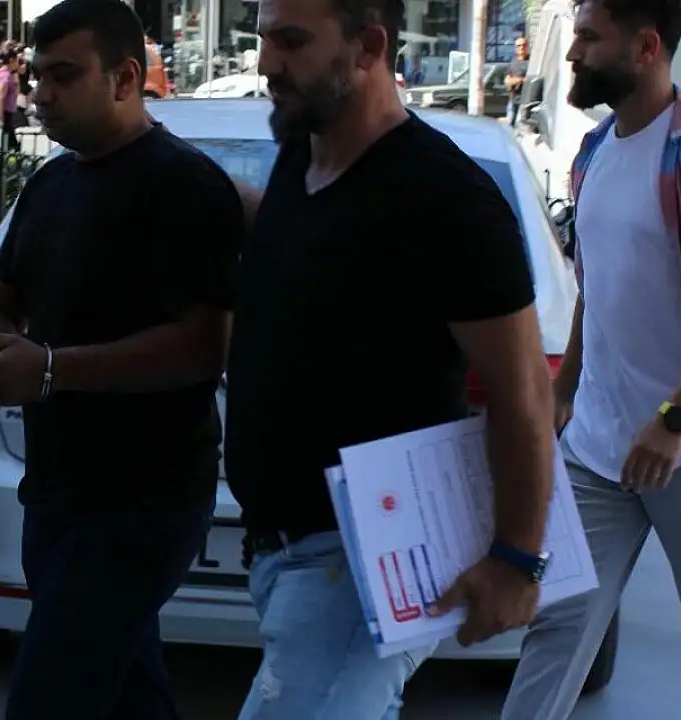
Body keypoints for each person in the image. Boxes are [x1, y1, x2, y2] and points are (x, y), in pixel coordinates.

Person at [223, 0, 559, 714]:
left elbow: (525, 390)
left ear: (369, 46)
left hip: (364, 562)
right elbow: (320, 253)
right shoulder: (303, 155)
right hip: (282, 551)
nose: (267, 63)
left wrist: (517, 558)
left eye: (292, 42)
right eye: (264, 40)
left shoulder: (446, 198)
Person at [0, 0, 244, 717]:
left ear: (124, 79)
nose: (41, 95)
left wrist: (51, 369)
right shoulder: (52, 184)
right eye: (36, 77)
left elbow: (204, 344)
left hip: (144, 501)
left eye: (64, 76)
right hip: (56, 490)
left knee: (52, 694)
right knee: (128, 693)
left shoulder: (183, 186)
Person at [502, 0, 681, 717]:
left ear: (646, 47)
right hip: (599, 443)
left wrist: (675, 418)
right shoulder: (593, 154)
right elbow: (596, 287)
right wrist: (566, 388)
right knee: (559, 622)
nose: (572, 53)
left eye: (589, 39)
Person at [0, 48, 22, 151]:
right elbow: (1, 97)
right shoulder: (6, 76)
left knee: (8, 140)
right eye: (17, 61)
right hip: (4, 111)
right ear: (12, 60)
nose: (18, 64)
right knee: (7, 141)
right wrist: (0, 118)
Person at [505, 35, 530, 125]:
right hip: (513, 101)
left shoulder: (531, 62)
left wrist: (514, 80)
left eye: (524, 45)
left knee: (524, 127)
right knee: (511, 126)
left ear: (527, 47)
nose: (521, 47)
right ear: (515, 48)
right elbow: (507, 81)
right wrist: (521, 80)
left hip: (527, 102)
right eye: (519, 46)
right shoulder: (512, 63)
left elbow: (531, 79)